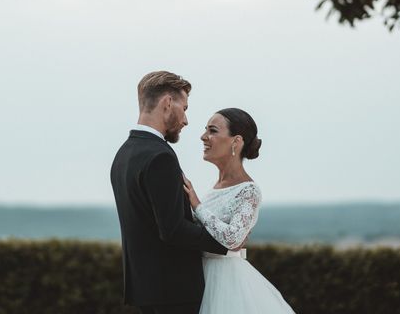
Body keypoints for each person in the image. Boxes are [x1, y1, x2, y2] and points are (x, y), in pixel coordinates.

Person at [110, 71, 228, 314]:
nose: (185, 120)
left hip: (146, 289)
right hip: (175, 291)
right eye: (184, 108)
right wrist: (225, 243)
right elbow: (173, 229)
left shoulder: (123, 155)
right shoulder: (160, 155)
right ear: (166, 103)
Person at [182, 108, 296, 313]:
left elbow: (233, 239)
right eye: (205, 130)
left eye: (213, 131)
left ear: (236, 142)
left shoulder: (249, 190)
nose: (203, 137)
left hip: (228, 282)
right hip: (200, 279)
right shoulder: (214, 189)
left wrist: (197, 206)